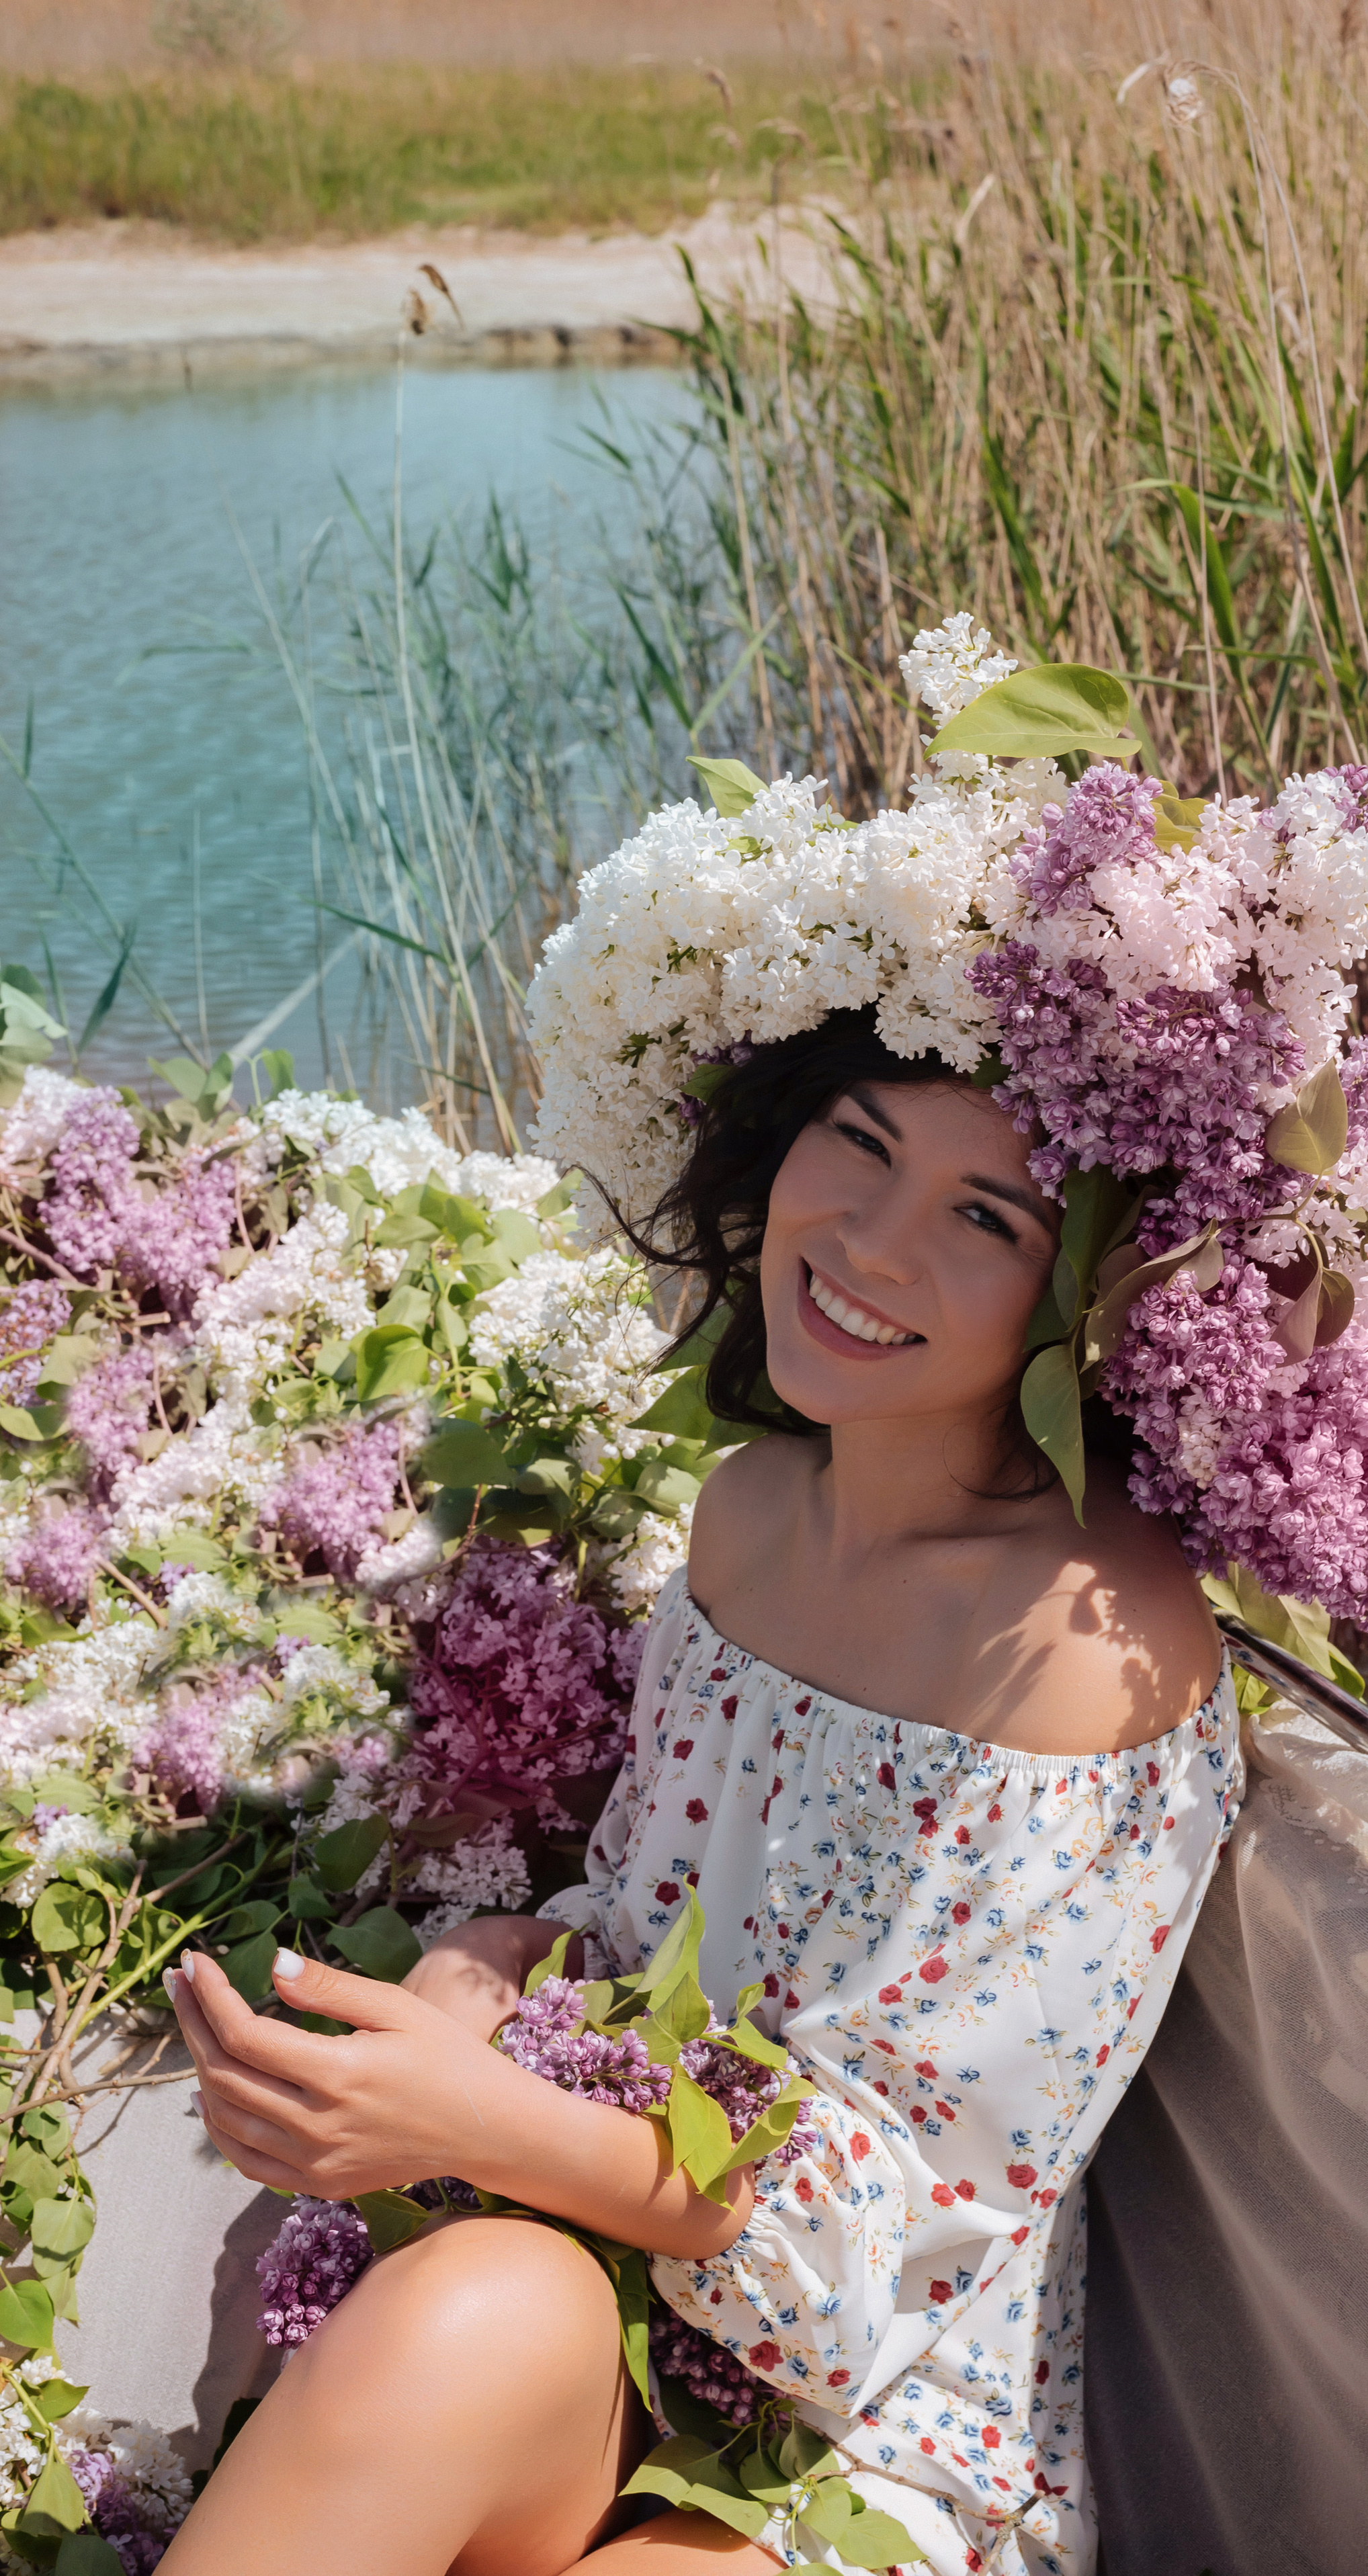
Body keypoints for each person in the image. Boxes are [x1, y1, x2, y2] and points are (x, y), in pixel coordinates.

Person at [160, 1019, 1240, 2576]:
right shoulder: (747, 1516)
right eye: (857, 1144)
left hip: (870, 2427)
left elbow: (894, 2238)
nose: (868, 1243)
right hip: (610, 2294)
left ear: (1088, 1300)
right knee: (458, 2310)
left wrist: (489, 2121)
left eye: (984, 1216)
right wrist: (503, 1963)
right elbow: (647, 1933)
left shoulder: (1082, 1651)